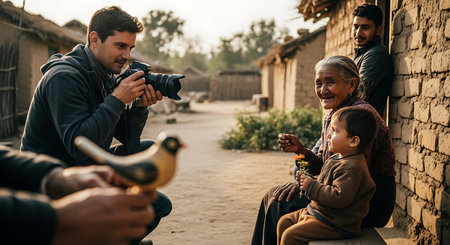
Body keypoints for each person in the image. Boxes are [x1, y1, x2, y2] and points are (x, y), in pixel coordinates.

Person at [19, 6, 171, 243]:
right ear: (95, 39)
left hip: (80, 165)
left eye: (130, 48)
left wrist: (139, 108)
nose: (127, 56)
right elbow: (79, 146)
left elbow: (127, 139)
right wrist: (117, 98)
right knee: (157, 205)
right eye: (120, 46)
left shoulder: (104, 76)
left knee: (148, 150)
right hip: (50, 179)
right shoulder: (64, 77)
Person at [251, 56, 396, 245]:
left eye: (330, 82)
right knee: (271, 196)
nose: (323, 90)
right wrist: (301, 150)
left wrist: (308, 186)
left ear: (351, 85)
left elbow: (353, 175)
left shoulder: (362, 119)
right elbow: (325, 165)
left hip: (362, 203)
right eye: (318, 83)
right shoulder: (334, 115)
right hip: (336, 189)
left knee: (281, 204)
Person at [0, 145, 156, 245]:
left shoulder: (102, 91)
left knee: (153, 203)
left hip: (56, 172)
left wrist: (56, 177)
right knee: (151, 206)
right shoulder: (63, 91)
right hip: (62, 167)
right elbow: (81, 149)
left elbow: (130, 141)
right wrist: (53, 223)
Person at [277, 106, 377, 244]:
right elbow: (326, 181)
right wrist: (310, 180)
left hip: (337, 223)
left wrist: (311, 186)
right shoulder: (337, 157)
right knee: (284, 222)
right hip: (319, 213)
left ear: (353, 141)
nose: (328, 135)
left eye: (335, 131)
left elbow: (339, 198)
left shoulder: (353, 167)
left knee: (290, 236)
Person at [352, 4, 394, 117]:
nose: (358, 33)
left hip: (363, 126)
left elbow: (358, 94)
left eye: (365, 27)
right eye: (356, 26)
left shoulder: (375, 55)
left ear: (378, 30)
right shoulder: (362, 54)